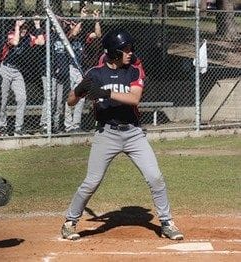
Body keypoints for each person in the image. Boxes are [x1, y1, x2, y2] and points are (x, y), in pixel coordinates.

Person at [61, 29, 184, 241]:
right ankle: (70, 222)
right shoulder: (95, 74)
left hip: (133, 133)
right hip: (106, 133)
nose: (130, 52)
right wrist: (80, 89)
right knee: (92, 181)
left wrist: (105, 92)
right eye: (125, 49)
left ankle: (167, 222)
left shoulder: (133, 71)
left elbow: (135, 98)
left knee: (155, 177)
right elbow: (70, 101)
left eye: (130, 49)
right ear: (113, 53)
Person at [0, 17, 45, 136]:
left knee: (22, 98)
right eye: (22, 27)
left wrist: (37, 25)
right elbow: (15, 42)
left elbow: (41, 41)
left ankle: (18, 127)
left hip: (17, 71)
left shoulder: (29, 38)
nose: (24, 30)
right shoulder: (11, 34)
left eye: (25, 27)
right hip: (6, 68)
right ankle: (2, 125)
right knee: (3, 99)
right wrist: (17, 26)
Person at [64, 7, 102, 133]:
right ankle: (68, 125)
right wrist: (81, 18)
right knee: (71, 97)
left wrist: (96, 20)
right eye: (75, 25)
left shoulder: (84, 37)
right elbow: (73, 33)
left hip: (81, 70)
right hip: (71, 68)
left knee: (80, 97)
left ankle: (76, 125)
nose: (78, 27)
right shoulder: (68, 36)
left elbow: (98, 34)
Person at [39, 20, 70, 134]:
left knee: (58, 101)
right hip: (49, 74)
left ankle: (55, 125)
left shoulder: (64, 37)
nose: (60, 26)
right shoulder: (49, 36)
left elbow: (73, 33)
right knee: (50, 98)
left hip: (61, 75)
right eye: (57, 25)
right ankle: (45, 124)